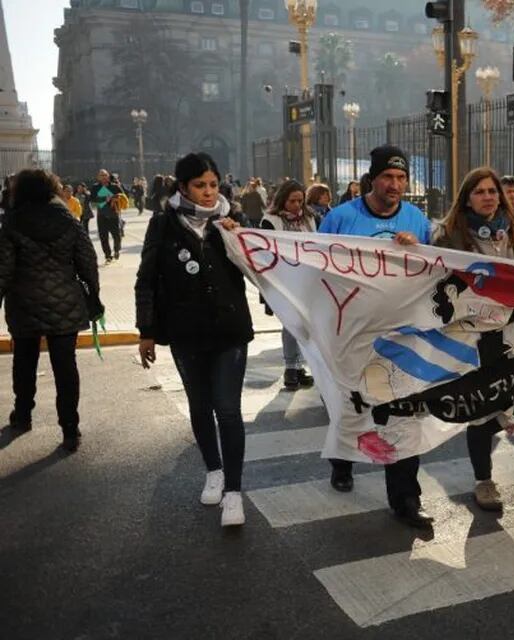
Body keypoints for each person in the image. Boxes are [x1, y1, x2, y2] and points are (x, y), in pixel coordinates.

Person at [134, 152, 253, 527]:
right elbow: (147, 280)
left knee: (228, 409)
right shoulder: (163, 224)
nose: (207, 192)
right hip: (186, 333)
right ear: (183, 187)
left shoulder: (231, 221)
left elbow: (261, 265)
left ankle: (233, 492)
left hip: (229, 331)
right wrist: (146, 331)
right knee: (200, 407)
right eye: (199, 185)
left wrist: (239, 238)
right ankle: (213, 470)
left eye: (213, 185)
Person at [318, 144, 433, 528]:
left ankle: (405, 499)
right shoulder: (340, 218)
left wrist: (415, 252)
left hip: (400, 337)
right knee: (350, 404)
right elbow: (315, 270)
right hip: (351, 334)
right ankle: (343, 461)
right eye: (388, 177)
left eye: (401, 178)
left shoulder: (417, 219)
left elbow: (431, 271)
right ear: (372, 179)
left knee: (402, 415)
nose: (395, 185)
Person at [430, 167, 514, 512]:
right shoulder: (449, 235)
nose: (488, 197)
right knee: (480, 406)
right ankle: (484, 480)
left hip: (513, 331)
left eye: (493, 191)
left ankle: (503, 431)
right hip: (472, 336)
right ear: (467, 198)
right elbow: (432, 273)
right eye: (479, 191)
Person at [0, 169, 103, 451]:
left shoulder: (12, 221)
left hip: (24, 303)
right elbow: (88, 260)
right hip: (66, 302)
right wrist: (94, 294)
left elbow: (3, 270)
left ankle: (23, 415)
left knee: (24, 360)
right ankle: (70, 428)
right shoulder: (67, 219)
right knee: (65, 365)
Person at [261, 180, 318, 391]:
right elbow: (265, 253)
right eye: (292, 201)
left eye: (300, 201)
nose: (297, 205)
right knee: (290, 324)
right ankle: (290, 366)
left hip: (307, 279)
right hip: (283, 280)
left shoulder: (309, 218)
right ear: (283, 200)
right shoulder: (271, 220)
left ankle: (300, 365)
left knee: (305, 325)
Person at [89, 168, 123, 264]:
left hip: (113, 214)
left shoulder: (115, 187)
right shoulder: (95, 187)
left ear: (108, 177)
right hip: (102, 215)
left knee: (117, 236)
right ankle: (108, 255)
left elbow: (124, 197)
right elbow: (93, 201)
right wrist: (105, 199)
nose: (104, 177)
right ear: (98, 177)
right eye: (101, 175)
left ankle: (116, 249)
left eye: (105, 175)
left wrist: (115, 199)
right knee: (103, 237)